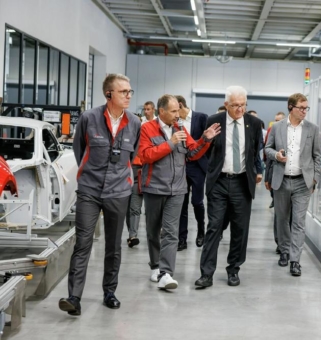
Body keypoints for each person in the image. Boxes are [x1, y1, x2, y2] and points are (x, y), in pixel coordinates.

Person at [59, 74, 141, 316]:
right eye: (123, 91)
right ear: (109, 95)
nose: (128, 95)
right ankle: (74, 297)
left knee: (114, 246)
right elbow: (79, 150)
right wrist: (90, 174)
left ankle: (109, 292)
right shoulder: (89, 118)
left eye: (130, 91)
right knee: (82, 243)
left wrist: (122, 177)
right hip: (90, 190)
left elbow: (132, 156)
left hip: (119, 191)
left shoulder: (135, 122)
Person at [138, 94, 220, 290]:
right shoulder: (147, 128)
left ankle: (166, 273)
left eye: (179, 110)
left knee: (171, 232)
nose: (178, 115)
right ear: (162, 111)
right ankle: (155, 265)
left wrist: (204, 140)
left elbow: (192, 152)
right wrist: (170, 143)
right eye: (174, 111)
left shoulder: (180, 128)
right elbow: (145, 156)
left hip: (177, 189)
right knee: (153, 231)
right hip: (154, 188)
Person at [195, 85, 263, 288]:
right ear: (226, 105)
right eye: (235, 105)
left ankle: (234, 269)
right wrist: (206, 142)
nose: (239, 109)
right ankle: (206, 274)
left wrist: (258, 171)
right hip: (219, 182)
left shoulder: (254, 123)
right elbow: (204, 149)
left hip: (242, 182)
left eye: (243, 105)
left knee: (240, 229)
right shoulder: (214, 121)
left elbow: (255, 152)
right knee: (214, 227)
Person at [265, 93, 321, 276]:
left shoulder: (312, 129)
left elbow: (317, 156)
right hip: (281, 180)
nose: (305, 111)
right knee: (281, 219)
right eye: (301, 108)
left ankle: (295, 260)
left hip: (302, 182)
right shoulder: (278, 127)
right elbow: (267, 148)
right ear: (291, 107)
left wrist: (315, 179)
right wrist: (276, 156)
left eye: (306, 108)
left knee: (298, 222)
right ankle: (284, 250)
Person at [176, 95, 209, 251]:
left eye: (176, 110)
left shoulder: (201, 117)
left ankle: (201, 231)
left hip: (197, 166)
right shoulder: (176, 122)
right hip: (181, 166)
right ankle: (182, 238)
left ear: (181, 105)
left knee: (197, 202)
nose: (174, 114)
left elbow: (209, 140)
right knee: (181, 204)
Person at [126, 101, 156, 248]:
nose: (146, 111)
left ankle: (156, 232)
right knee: (134, 207)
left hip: (151, 172)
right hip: (136, 171)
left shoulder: (156, 129)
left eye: (148, 109)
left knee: (153, 209)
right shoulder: (131, 136)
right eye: (144, 109)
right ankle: (133, 235)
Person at [264, 112, 286, 253]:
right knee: (279, 212)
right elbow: (268, 157)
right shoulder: (273, 131)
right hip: (275, 177)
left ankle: (287, 243)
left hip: (293, 178)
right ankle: (280, 242)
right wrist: (267, 178)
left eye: (279, 120)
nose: (276, 122)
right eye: (275, 120)